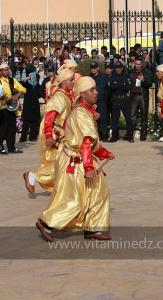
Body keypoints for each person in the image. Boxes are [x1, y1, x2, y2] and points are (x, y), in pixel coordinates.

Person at [36, 76, 115, 242]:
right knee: (74, 198)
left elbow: (90, 141)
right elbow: (85, 143)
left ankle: (93, 228)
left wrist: (103, 153)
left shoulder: (84, 110)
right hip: (75, 161)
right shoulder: (80, 113)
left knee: (98, 192)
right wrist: (89, 168)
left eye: (95, 89)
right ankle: (47, 223)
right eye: (91, 90)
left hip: (78, 157)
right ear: (82, 94)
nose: (96, 92)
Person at [23, 68, 75, 193]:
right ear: (63, 82)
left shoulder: (66, 95)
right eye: (71, 80)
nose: (74, 82)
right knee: (59, 161)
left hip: (60, 132)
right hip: (53, 132)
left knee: (61, 161)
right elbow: (49, 118)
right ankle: (34, 177)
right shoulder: (59, 98)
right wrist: (49, 136)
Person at [0, 63, 26, 154]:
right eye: (4, 70)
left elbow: (23, 89)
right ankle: (0, 147)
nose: (7, 71)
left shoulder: (12, 80)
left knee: (12, 128)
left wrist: (17, 95)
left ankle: (11, 147)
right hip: (1, 108)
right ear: (0, 71)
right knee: (2, 128)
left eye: (7, 69)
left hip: (11, 108)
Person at [109, 62, 133, 143]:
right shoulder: (113, 76)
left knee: (128, 118)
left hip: (124, 100)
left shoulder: (126, 76)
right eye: (117, 68)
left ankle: (130, 136)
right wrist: (121, 85)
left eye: (120, 67)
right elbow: (112, 86)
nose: (118, 69)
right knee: (115, 119)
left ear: (122, 68)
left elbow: (128, 87)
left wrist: (118, 85)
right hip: (116, 100)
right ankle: (114, 137)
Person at [130, 58, 152, 141]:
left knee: (144, 116)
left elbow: (149, 83)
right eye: (136, 64)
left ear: (142, 64)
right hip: (134, 96)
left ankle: (143, 136)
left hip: (143, 96)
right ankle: (130, 136)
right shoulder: (131, 73)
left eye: (139, 64)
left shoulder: (146, 73)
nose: (137, 66)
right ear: (134, 64)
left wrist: (144, 80)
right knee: (132, 116)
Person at [20, 73, 41, 142]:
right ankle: (23, 137)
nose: (33, 78)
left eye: (34, 77)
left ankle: (32, 137)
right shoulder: (26, 84)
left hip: (35, 106)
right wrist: (25, 79)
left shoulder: (37, 85)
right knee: (26, 123)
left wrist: (42, 98)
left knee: (34, 123)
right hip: (27, 106)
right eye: (31, 77)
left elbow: (41, 93)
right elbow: (19, 84)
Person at [90, 62, 108, 141]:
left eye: (94, 67)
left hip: (102, 100)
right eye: (92, 68)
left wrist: (96, 102)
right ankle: (97, 136)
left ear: (98, 68)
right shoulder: (90, 78)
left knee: (103, 118)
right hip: (92, 102)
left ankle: (104, 135)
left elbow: (102, 90)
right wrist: (93, 102)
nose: (93, 69)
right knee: (93, 119)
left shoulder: (103, 76)